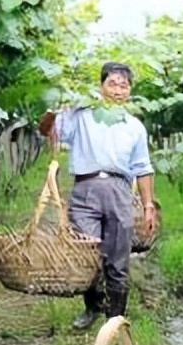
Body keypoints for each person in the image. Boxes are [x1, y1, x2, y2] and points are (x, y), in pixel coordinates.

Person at [38, 62, 156, 330]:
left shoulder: (135, 126)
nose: (118, 90)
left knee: (117, 259)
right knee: (87, 254)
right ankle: (92, 306)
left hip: (119, 191)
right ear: (100, 87)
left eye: (124, 85)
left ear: (130, 91)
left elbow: (143, 167)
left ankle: (115, 319)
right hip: (86, 190)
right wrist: (53, 110)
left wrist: (148, 204)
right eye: (112, 83)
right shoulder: (82, 114)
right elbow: (48, 131)